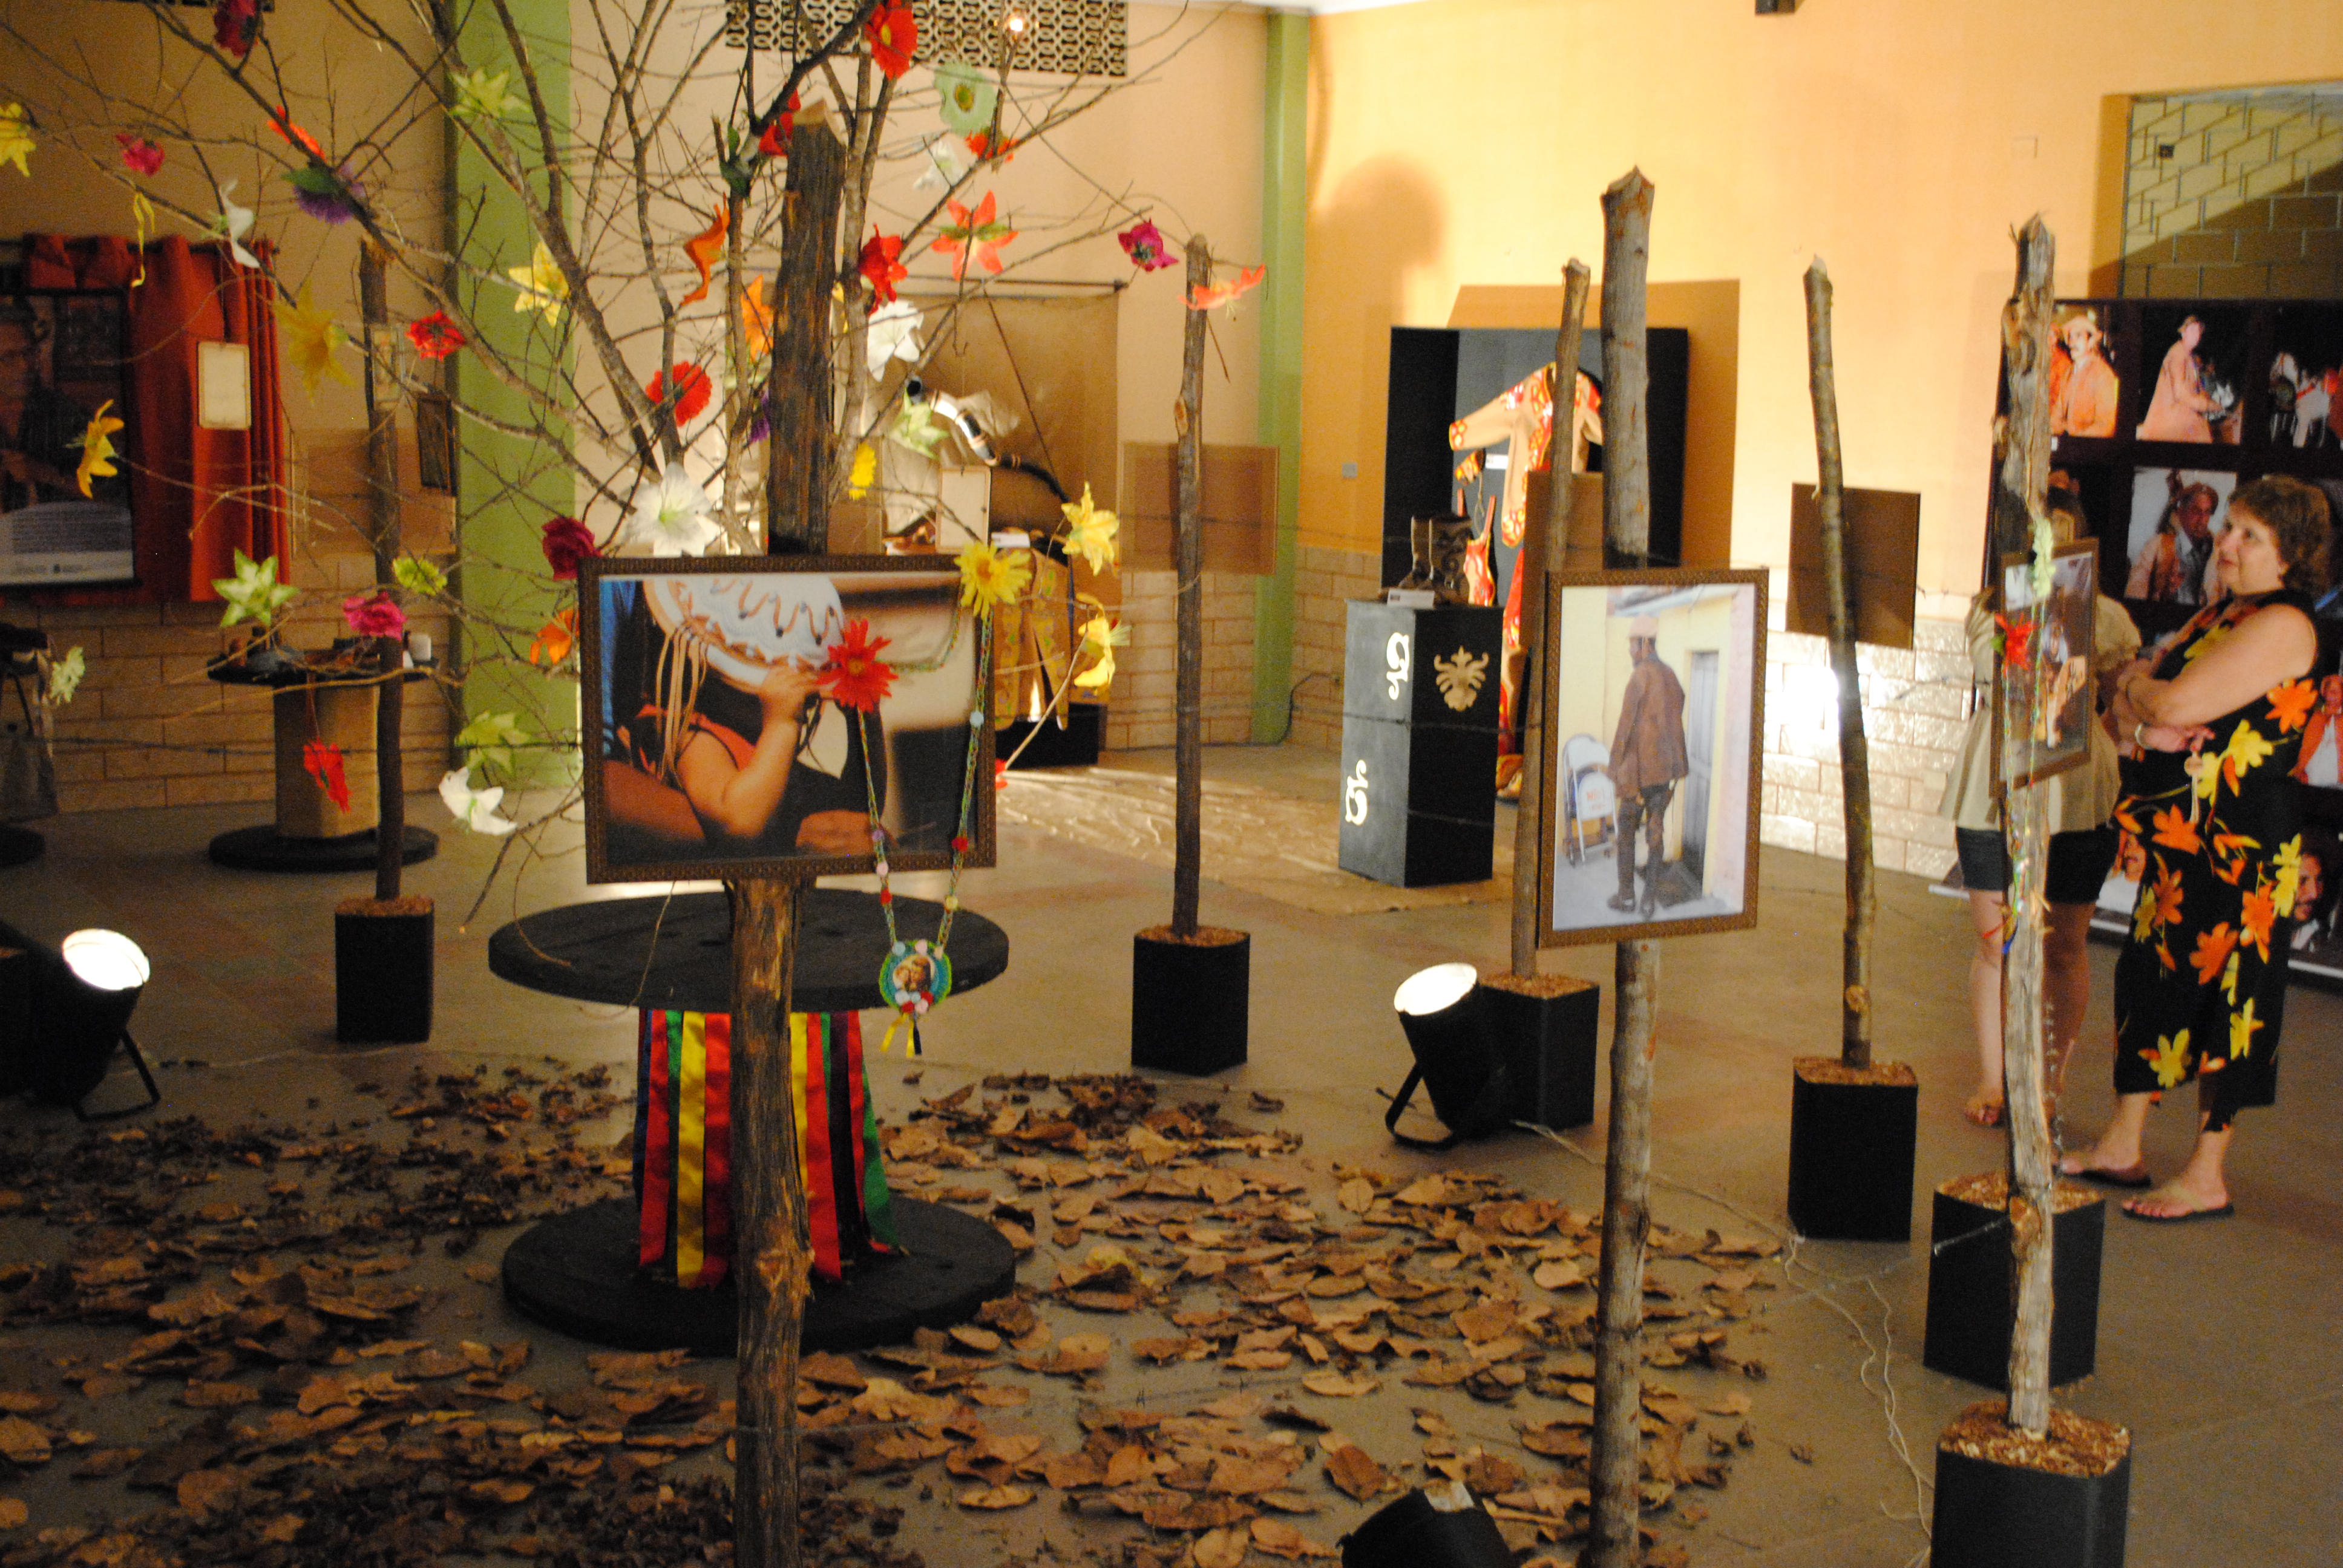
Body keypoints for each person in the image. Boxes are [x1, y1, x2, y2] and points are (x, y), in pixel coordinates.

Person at [2063, 475, 2333, 1221]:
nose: (2225, 543)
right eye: (2228, 528)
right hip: (2180, 844)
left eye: (2249, 535)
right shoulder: (2221, 613)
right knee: (2149, 978)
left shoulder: (2285, 624)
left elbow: (2166, 699)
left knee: (2229, 1000)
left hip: (2239, 849)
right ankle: (2123, 1142)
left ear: (2290, 553)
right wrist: (2143, 704)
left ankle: (2206, 1172)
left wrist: (2148, 702)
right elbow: (2123, 699)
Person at [1939, 501, 2141, 1128]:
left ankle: (2047, 1084)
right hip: (1996, 784)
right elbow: (1993, 668)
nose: (2048, 542)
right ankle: (1993, 1077)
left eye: (2060, 529)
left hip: (2076, 792)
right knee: (1995, 945)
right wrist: (2030, 603)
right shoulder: (1989, 607)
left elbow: (2123, 690)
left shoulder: (2106, 615)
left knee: (2065, 947)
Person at [1607, 615, 1687, 916]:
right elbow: (1678, 707)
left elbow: (1624, 729)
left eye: (1632, 644)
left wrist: (1613, 769)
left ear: (1644, 643)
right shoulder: (1670, 675)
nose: (1630, 651)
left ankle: (1627, 898)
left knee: (1626, 832)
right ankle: (1649, 901)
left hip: (1639, 776)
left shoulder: (1640, 676)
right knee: (1656, 834)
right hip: (1664, 775)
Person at [2125, 474, 2220, 605]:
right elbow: (2135, 592)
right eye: (2196, 511)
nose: (2203, 519)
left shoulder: (2217, 549)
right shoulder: (2157, 546)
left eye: (2207, 512)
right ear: (2182, 513)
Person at [2135, 315, 2223, 442]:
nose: (2197, 334)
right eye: (2192, 330)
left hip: (2185, 417)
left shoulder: (2191, 357)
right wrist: (2207, 405)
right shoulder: (2177, 355)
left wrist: (2211, 402)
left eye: (2199, 330)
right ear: (2183, 332)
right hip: (2172, 422)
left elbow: (2197, 388)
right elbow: (2181, 393)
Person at [2050, 309, 2120, 439]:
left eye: (2079, 336)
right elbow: (2057, 416)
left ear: (2091, 341)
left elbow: (2105, 426)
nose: (2072, 342)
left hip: (2090, 446)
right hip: (2068, 443)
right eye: (2070, 337)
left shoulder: (2102, 374)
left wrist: (2075, 441)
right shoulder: (2069, 372)